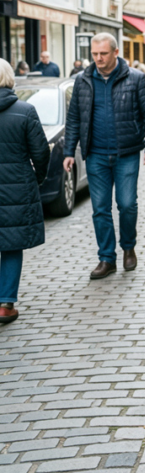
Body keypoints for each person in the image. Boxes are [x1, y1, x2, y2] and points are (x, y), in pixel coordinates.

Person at [63, 33, 145, 279]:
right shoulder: (83, 80)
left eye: (103, 54)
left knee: (127, 205)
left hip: (126, 153)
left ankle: (128, 247)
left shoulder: (136, 78)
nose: (98, 59)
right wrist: (68, 152)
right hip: (95, 154)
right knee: (100, 209)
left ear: (116, 52)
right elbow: (74, 117)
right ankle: (107, 258)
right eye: (94, 54)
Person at [0, 59, 50, 324]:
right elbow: (41, 152)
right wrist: (37, 179)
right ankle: (6, 304)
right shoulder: (25, 110)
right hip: (16, 189)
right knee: (10, 244)